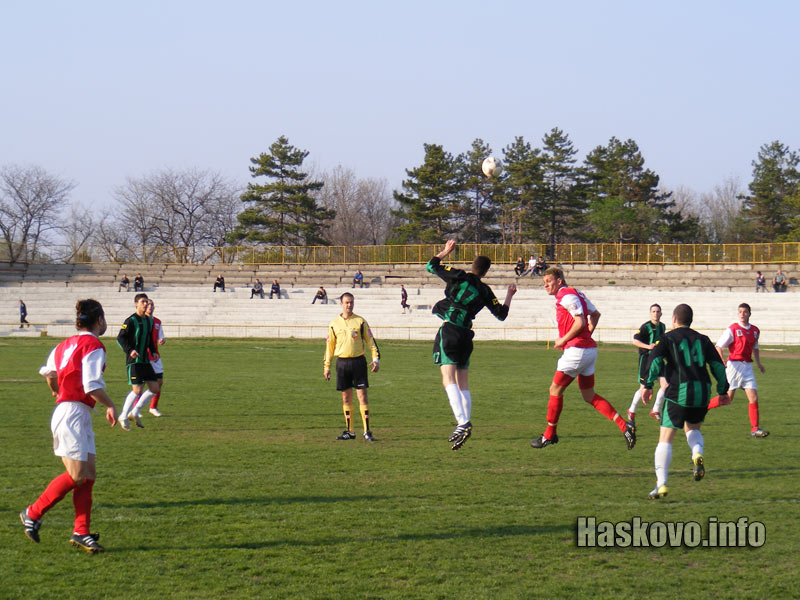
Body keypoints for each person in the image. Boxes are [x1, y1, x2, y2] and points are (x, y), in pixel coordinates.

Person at [20, 299, 117, 553]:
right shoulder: (94, 345)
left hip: (74, 411)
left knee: (88, 476)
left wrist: (56, 391)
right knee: (77, 475)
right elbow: (92, 385)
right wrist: (110, 405)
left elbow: (50, 374)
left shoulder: (64, 344)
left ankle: (81, 531)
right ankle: (33, 512)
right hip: (73, 413)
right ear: (99, 320)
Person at [530, 267, 635, 451]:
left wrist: (564, 339)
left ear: (559, 281)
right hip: (588, 351)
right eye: (544, 282)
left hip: (576, 351)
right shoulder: (577, 293)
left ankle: (549, 434)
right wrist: (587, 336)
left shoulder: (567, 296)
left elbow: (580, 322)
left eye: (548, 281)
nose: (545, 284)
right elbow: (595, 315)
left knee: (555, 389)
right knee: (589, 395)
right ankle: (624, 425)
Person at [426, 240, 516, 450]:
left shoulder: (459, 275)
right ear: (485, 273)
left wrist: (446, 251)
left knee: (447, 378)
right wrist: (509, 295)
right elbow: (501, 314)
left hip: (450, 331)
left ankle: (463, 422)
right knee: (462, 382)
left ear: (472, 265)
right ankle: (464, 422)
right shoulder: (485, 291)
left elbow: (431, 265)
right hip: (466, 336)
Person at [642, 304, 729, 500]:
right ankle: (697, 454)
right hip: (702, 392)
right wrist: (723, 390)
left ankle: (661, 484)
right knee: (693, 428)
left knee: (665, 438)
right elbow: (718, 366)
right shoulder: (703, 339)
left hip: (679, 391)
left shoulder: (667, 338)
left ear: (674, 319)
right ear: (690, 320)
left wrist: (647, 385)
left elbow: (655, 361)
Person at [323, 293, 380, 442]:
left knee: (362, 396)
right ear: (341, 304)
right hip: (342, 363)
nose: (349, 305)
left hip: (358, 362)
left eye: (351, 302)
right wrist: (327, 366)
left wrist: (376, 359)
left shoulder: (360, 321)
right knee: (346, 397)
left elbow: (371, 341)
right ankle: (350, 431)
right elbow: (330, 347)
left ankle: (367, 431)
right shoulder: (334, 323)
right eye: (347, 302)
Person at [708, 303, 768, 438]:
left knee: (753, 397)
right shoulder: (733, 329)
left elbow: (755, 347)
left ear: (749, 314)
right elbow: (718, 346)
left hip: (747, 367)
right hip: (734, 366)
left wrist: (758, 363)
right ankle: (703, 408)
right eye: (740, 312)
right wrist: (721, 360)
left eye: (745, 312)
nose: (742, 314)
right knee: (727, 399)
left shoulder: (755, 330)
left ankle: (755, 429)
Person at [116, 293, 159, 430]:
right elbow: (120, 338)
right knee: (137, 389)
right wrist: (130, 351)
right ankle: (123, 416)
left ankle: (134, 412)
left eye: (146, 302)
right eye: (142, 302)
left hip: (145, 361)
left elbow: (149, 340)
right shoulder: (130, 320)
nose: (145, 304)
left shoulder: (149, 321)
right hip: (134, 361)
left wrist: (153, 351)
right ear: (136, 304)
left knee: (154, 388)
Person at [628, 304, 668, 423]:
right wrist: (648, 347)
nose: (655, 313)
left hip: (659, 359)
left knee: (667, 385)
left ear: (661, 313)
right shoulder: (646, 327)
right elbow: (635, 341)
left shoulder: (663, 326)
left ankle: (655, 409)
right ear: (650, 313)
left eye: (657, 311)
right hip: (646, 360)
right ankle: (632, 410)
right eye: (653, 311)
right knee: (643, 387)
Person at [132, 299, 166, 418]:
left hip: (155, 356)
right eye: (148, 304)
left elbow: (160, 336)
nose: (150, 306)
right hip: (143, 357)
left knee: (159, 382)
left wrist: (161, 340)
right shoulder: (140, 321)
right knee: (140, 385)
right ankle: (135, 408)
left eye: (152, 304)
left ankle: (153, 407)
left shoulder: (157, 322)